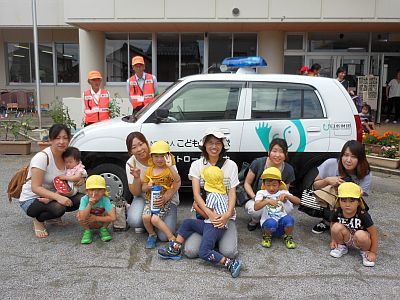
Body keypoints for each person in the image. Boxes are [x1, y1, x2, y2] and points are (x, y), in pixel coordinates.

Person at [158, 165, 243, 278]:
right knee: (187, 223)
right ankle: (175, 248)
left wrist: (197, 207)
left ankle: (230, 263)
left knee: (204, 252)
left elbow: (207, 215)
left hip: (213, 227)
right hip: (215, 226)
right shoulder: (223, 194)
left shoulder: (212, 195)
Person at [19, 124, 84, 238]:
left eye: (65, 138)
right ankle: (38, 220)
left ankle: (51, 218)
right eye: (57, 138)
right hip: (32, 198)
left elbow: (75, 171)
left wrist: (80, 179)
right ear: (50, 139)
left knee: (81, 199)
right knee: (59, 208)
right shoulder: (42, 157)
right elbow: (36, 187)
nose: (61, 141)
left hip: (54, 195)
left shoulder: (66, 156)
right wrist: (59, 197)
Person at [184, 128, 239, 259]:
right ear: (204, 145)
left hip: (225, 216)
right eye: (210, 142)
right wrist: (210, 214)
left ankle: (215, 237)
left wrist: (227, 215)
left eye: (218, 143)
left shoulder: (231, 165)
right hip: (203, 216)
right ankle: (212, 237)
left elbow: (232, 193)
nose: (214, 146)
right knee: (190, 251)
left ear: (223, 145)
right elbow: (196, 195)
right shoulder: (196, 165)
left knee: (229, 253)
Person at [125, 132, 180, 241]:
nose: (139, 149)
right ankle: (149, 227)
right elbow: (136, 193)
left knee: (164, 237)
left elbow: (176, 182)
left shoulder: (163, 154)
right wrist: (137, 178)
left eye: (141, 144)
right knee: (134, 220)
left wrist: (164, 198)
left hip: (167, 198)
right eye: (134, 147)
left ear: (147, 143)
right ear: (130, 151)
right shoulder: (131, 164)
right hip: (146, 197)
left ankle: (155, 223)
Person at [311, 140, 372, 234]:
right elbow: (315, 185)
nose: (348, 160)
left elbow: (359, 198)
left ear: (360, 159)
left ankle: (349, 222)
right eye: (346, 155)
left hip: (348, 200)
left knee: (353, 203)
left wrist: (354, 189)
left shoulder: (366, 173)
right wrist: (327, 180)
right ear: (341, 155)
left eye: (353, 156)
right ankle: (326, 221)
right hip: (330, 199)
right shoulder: (330, 163)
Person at [244, 138, 295, 231]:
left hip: (276, 201)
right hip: (258, 199)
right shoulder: (258, 163)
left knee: (289, 207)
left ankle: (275, 220)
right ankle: (255, 220)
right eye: (274, 151)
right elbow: (247, 183)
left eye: (281, 152)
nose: (277, 155)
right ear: (269, 152)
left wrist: (283, 198)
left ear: (286, 154)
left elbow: (286, 190)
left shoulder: (289, 169)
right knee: (254, 210)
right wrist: (255, 197)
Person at [141, 141, 181, 249]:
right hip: (150, 201)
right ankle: (152, 234)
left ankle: (171, 237)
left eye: (162, 156)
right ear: (152, 157)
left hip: (165, 201)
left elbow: (177, 181)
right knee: (145, 217)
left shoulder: (169, 170)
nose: (159, 159)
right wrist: (148, 186)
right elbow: (143, 188)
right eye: (156, 156)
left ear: (168, 156)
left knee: (154, 219)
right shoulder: (149, 171)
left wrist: (171, 166)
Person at [330, 182, 378, 267]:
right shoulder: (337, 211)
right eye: (343, 200)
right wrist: (334, 240)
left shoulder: (363, 214)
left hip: (361, 240)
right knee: (336, 227)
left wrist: (373, 252)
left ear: (359, 202)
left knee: (360, 234)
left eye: (352, 201)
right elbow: (332, 224)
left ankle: (365, 252)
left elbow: (373, 233)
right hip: (346, 237)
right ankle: (341, 246)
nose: (347, 204)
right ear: (338, 201)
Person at [254, 167, 300, 249]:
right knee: (271, 222)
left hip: (282, 225)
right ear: (264, 185)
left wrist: (287, 196)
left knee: (290, 219)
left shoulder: (283, 192)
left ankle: (288, 236)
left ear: (279, 184)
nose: (271, 188)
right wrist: (267, 201)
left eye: (274, 185)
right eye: (268, 185)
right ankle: (267, 237)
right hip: (268, 224)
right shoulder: (261, 193)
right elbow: (256, 207)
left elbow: (298, 201)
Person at [77, 175, 116, 244]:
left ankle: (103, 229)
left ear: (104, 191)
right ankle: (87, 230)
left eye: (99, 189)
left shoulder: (105, 199)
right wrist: (90, 204)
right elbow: (82, 217)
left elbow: (113, 217)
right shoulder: (84, 199)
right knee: (79, 215)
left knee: (110, 211)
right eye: (92, 190)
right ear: (86, 191)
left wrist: (96, 218)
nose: (96, 192)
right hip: (89, 221)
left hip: (100, 220)